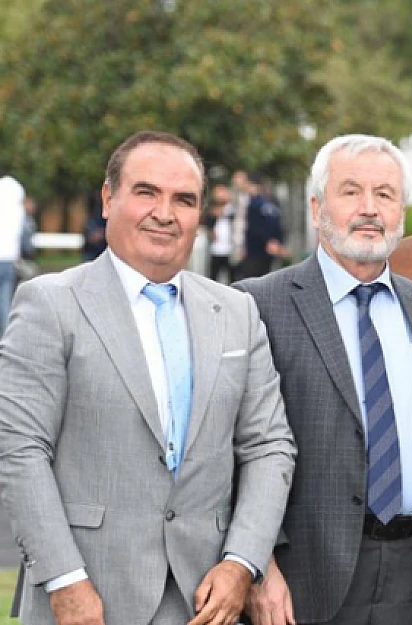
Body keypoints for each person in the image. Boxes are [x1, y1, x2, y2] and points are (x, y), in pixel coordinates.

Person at [0, 130, 298, 625]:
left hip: (207, 598)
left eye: (183, 200)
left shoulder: (237, 312)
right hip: (86, 598)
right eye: (146, 192)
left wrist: (243, 563)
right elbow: (20, 449)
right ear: (107, 197)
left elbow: (269, 446)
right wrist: (63, 579)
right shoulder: (49, 304)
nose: (165, 213)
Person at [237, 134, 412, 625]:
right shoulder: (259, 305)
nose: (369, 208)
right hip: (301, 581)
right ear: (317, 208)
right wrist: (259, 567)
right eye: (351, 191)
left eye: (385, 194)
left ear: (401, 210)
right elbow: (230, 449)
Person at [236, 172, 288, 280]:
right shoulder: (272, 202)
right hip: (268, 249)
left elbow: (255, 227)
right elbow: (278, 224)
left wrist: (268, 241)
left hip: (255, 250)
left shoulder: (254, 204)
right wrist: (277, 242)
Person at [0, 175, 26, 335]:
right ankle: (6, 335)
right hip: (9, 259)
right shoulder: (18, 211)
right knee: (5, 299)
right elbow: (20, 235)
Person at [203, 184, 235, 283]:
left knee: (232, 277)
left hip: (230, 249)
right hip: (215, 249)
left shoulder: (232, 209)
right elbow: (208, 224)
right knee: (213, 276)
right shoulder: (211, 210)